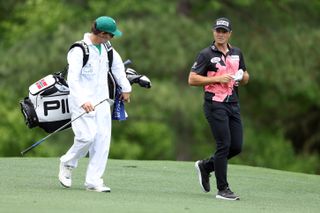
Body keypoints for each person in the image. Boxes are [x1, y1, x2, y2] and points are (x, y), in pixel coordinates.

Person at [58, 16, 131, 192]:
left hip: (102, 101)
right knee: (86, 137)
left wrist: (126, 87)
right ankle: (67, 164)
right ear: (103, 33)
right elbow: (73, 80)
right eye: (111, 35)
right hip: (81, 102)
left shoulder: (107, 47)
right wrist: (83, 101)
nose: (112, 38)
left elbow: (117, 67)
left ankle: (93, 181)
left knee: (102, 140)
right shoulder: (78, 50)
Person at [188, 17, 249, 200]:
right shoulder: (206, 54)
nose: (220, 34)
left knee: (236, 146)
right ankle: (223, 189)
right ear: (213, 32)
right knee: (224, 145)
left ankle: (206, 167)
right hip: (215, 104)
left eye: (224, 31)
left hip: (233, 103)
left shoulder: (237, 53)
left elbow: (246, 76)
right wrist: (217, 79)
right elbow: (192, 79)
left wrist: (242, 76)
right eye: (218, 31)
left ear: (230, 34)